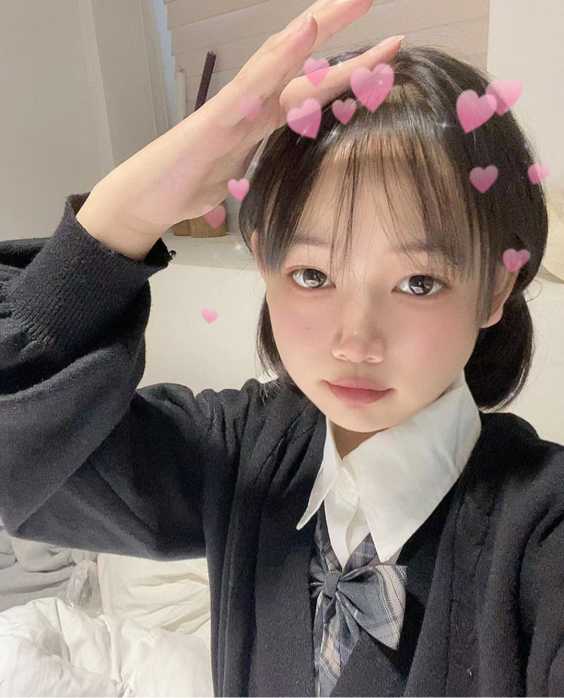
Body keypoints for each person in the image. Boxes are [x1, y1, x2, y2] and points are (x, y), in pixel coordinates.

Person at [0, 0, 563, 695]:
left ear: (496, 287)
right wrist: (129, 208)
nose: (355, 340)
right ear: (266, 263)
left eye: (418, 282)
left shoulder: (541, 533)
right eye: (313, 275)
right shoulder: (243, 453)